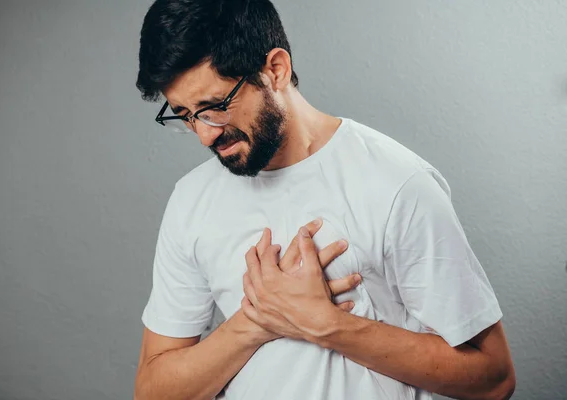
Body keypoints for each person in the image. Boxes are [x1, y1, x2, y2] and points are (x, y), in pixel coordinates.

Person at [133, 0, 516, 399]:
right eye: (186, 115)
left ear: (275, 70)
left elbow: (493, 377)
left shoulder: (398, 183)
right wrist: (256, 320)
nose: (205, 135)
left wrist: (327, 324)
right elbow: (153, 391)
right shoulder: (191, 199)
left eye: (214, 107)